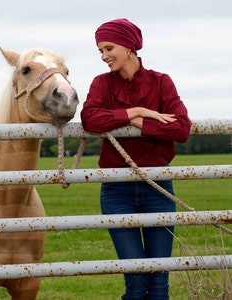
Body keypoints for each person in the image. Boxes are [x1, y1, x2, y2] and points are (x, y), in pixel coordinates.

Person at [80, 18, 192, 300]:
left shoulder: (161, 82)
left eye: (109, 48)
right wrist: (136, 112)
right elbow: (89, 119)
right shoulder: (101, 84)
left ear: (129, 46)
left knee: (158, 281)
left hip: (157, 186)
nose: (104, 56)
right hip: (116, 190)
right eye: (100, 51)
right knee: (136, 281)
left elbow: (182, 128)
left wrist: (143, 124)